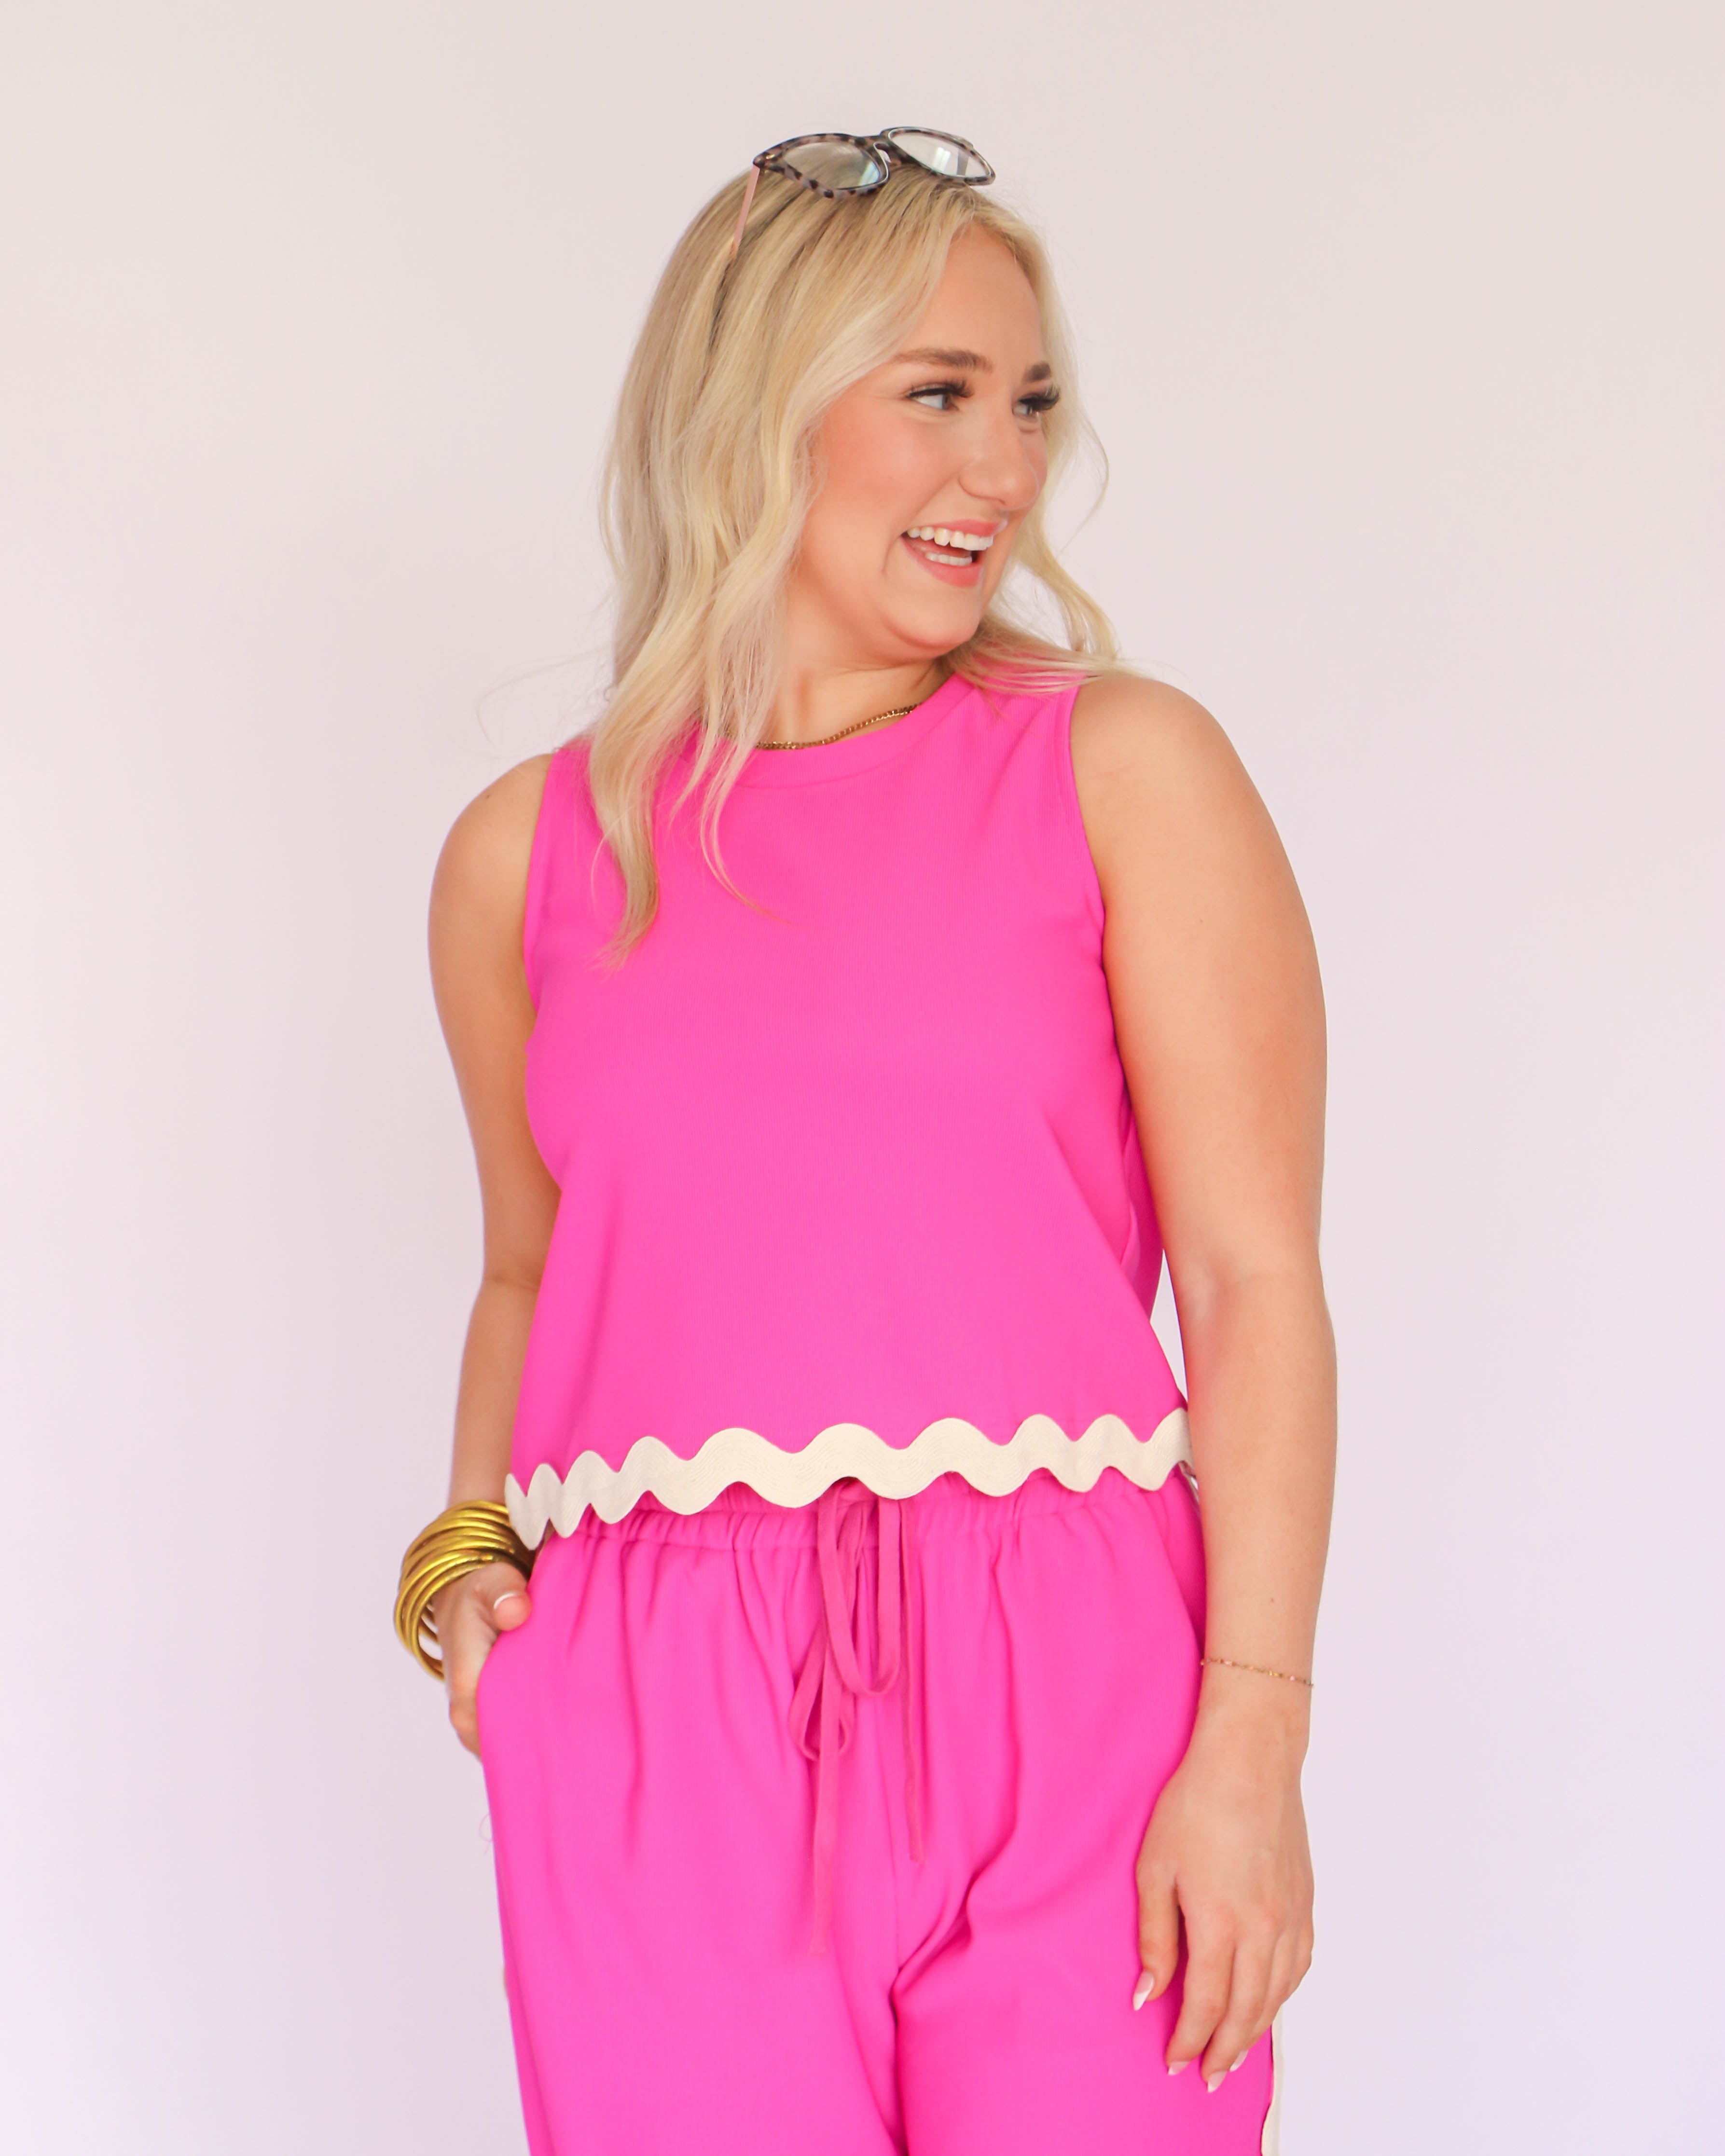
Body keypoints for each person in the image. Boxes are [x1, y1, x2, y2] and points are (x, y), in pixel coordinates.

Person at [394, 128, 1334, 2156]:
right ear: (758, 406)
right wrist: (466, 1560)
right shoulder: (527, 856)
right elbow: (531, 1265)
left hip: (1071, 1667)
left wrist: (1254, 1732)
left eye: (1032, 403)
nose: (1002, 468)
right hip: (654, 1699)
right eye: (938, 394)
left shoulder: (1120, 769)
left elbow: (1254, 1277)